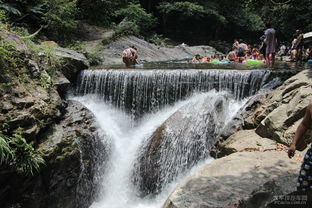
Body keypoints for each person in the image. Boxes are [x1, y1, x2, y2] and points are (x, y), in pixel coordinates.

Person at [288, 104, 312, 193]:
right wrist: (294, 144)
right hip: (311, 155)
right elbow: (304, 124)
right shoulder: (311, 107)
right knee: (303, 184)